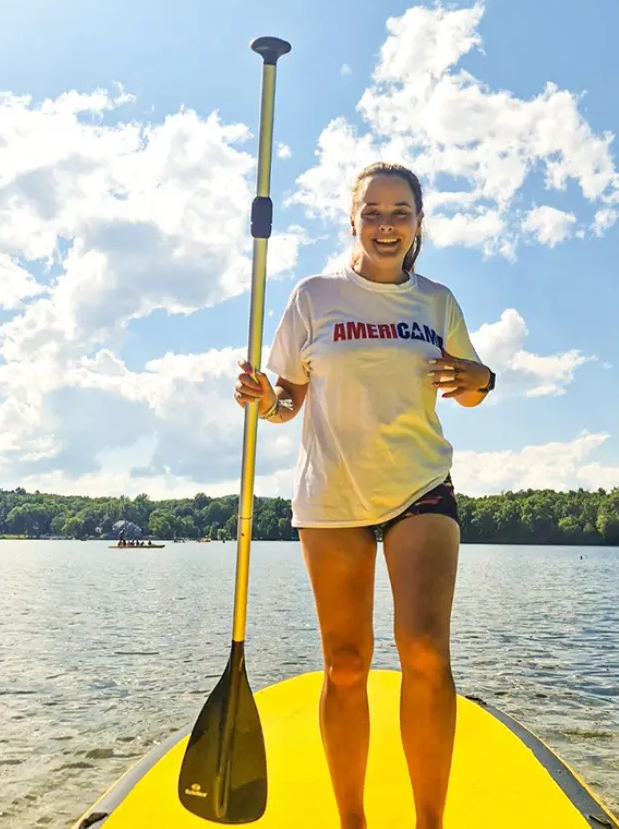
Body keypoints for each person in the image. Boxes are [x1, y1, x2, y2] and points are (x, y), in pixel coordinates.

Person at [234, 162, 495, 829]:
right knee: (346, 664)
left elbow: (467, 388)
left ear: (418, 223)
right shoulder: (314, 297)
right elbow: (287, 398)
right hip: (333, 495)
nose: (386, 224)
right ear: (354, 220)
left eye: (399, 212)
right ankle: (352, 822)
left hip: (420, 488)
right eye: (373, 212)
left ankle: (428, 823)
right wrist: (266, 399)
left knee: (426, 651)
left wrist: (480, 375)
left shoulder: (436, 303)